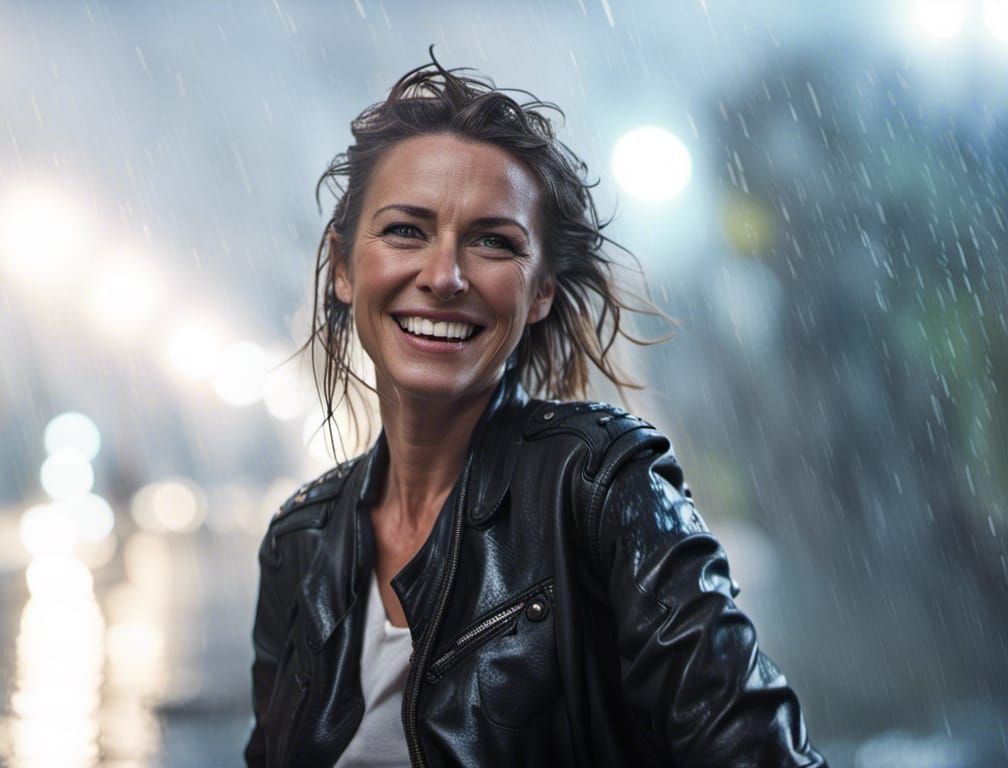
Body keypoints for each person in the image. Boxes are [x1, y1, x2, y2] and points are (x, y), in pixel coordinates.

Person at [246, 54, 826, 767]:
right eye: (406, 231)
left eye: (493, 241)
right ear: (342, 267)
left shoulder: (603, 485)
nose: (444, 276)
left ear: (541, 291)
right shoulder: (299, 541)